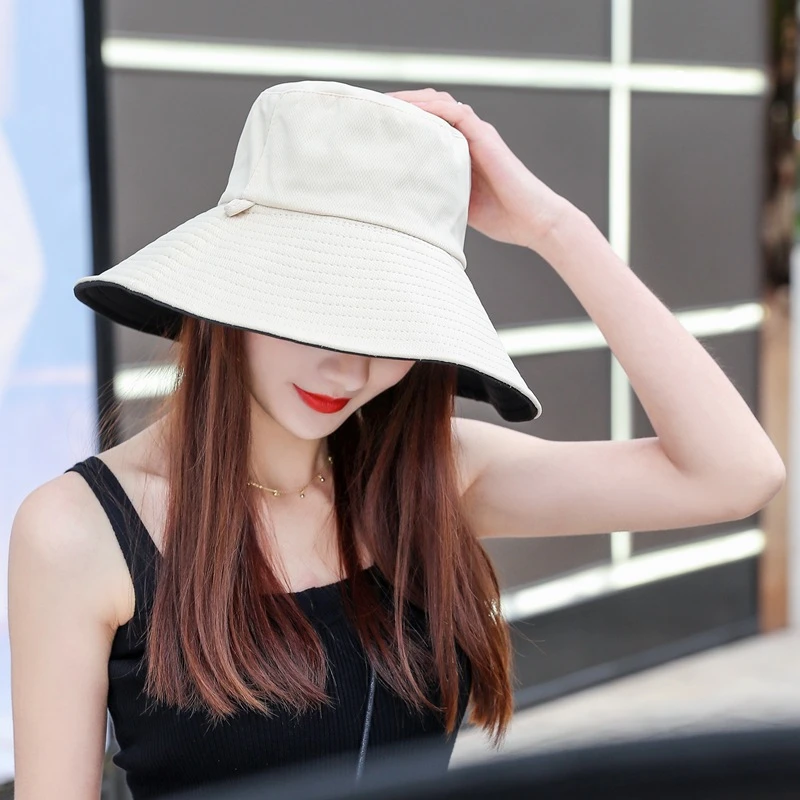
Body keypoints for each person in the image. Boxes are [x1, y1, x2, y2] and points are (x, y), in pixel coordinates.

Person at [7, 81, 785, 800]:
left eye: (390, 322)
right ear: (231, 287)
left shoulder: (430, 474)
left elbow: (734, 473)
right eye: (316, 308)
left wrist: (555, 228)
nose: (350, 368)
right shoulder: (80, 532)